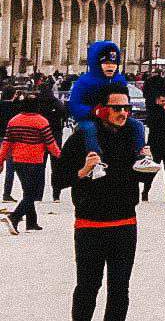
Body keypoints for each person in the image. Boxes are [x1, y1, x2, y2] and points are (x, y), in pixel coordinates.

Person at [54, 86, 142, 321]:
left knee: (119, 290)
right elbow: (57, 179)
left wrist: (146, 166)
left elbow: (137, 177)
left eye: (126, 107)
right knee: (87, 287)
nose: (123, 113)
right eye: (117, 108)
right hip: (90, 225)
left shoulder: (132, 136)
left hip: (124, 224)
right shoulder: (81, 139)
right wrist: (82, 171)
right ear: (101, 109)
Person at [66, 41, 156, 176]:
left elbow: (126, 101)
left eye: (114, 64)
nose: (110, 66)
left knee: (137, 126)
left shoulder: (119, 81)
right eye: (106, 63)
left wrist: (125, 111)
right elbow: (74, 105)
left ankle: (141, 157)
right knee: (90, 129)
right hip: (90, 118)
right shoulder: (84, 82)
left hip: (114, 116)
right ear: (97, 64)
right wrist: (93, 111)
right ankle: (96, 161)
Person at [1, 95, 60, 234]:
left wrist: (1, 160)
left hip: (18, 161)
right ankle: (14, 217)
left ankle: (31, 222)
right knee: (32, 193)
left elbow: (6, 143)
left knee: (27, 190)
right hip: (35, 161)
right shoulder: (41, 121)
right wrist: (60, 156)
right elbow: (50, 143)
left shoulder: (14, 121)